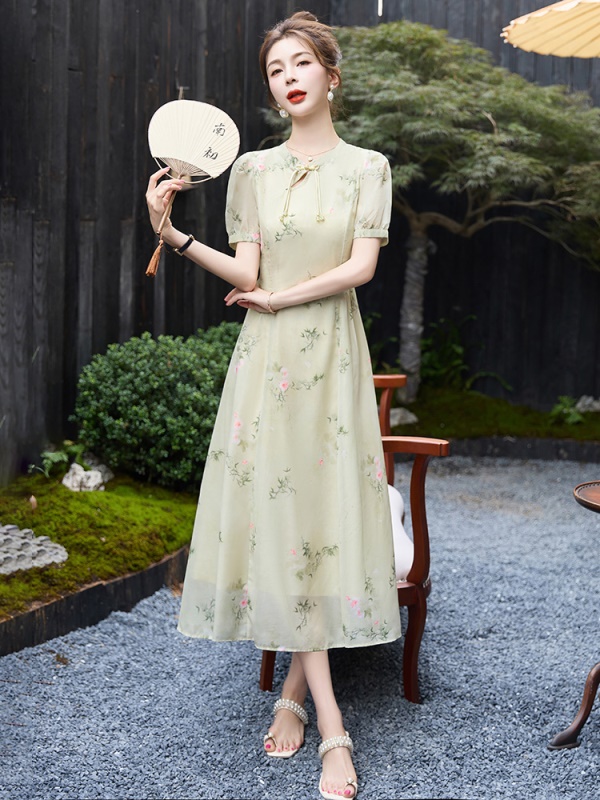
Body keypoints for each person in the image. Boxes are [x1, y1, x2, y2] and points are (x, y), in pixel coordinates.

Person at [146, 11, 401, 799]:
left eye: (301, 64)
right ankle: (332, 727)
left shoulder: (369, 167)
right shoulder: (253, 170)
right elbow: (247, 271)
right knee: (285, 517)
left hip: (330, 355)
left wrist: (282, 298)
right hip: (267, 363)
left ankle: (298, 694)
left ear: (331, 75)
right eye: (275, 70)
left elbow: (359, 269)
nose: (288, 78)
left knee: (315, 516)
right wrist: (172, 234)